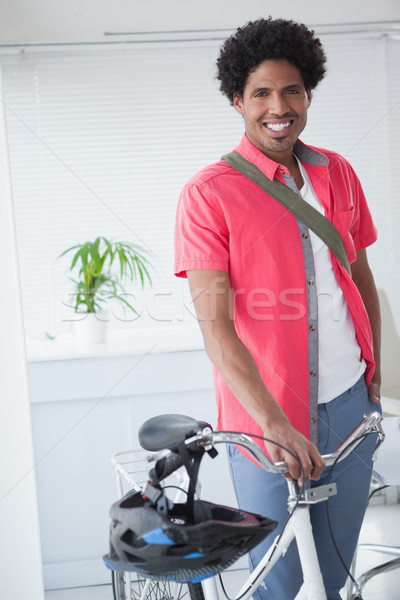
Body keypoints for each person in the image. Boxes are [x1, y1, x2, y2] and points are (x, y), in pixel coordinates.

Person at [174, 17, 381, 600]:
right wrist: (271, 422)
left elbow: (360, 277)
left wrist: (374, 372)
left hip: (348, 405)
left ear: (308, 92)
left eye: (291, 89)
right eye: (261, 93)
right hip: (268, 418)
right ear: (237, 100)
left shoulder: (336, 172)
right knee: (278, 580)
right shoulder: (208, 194)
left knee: (335, 573)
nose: (278, 106)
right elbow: (214, 327)